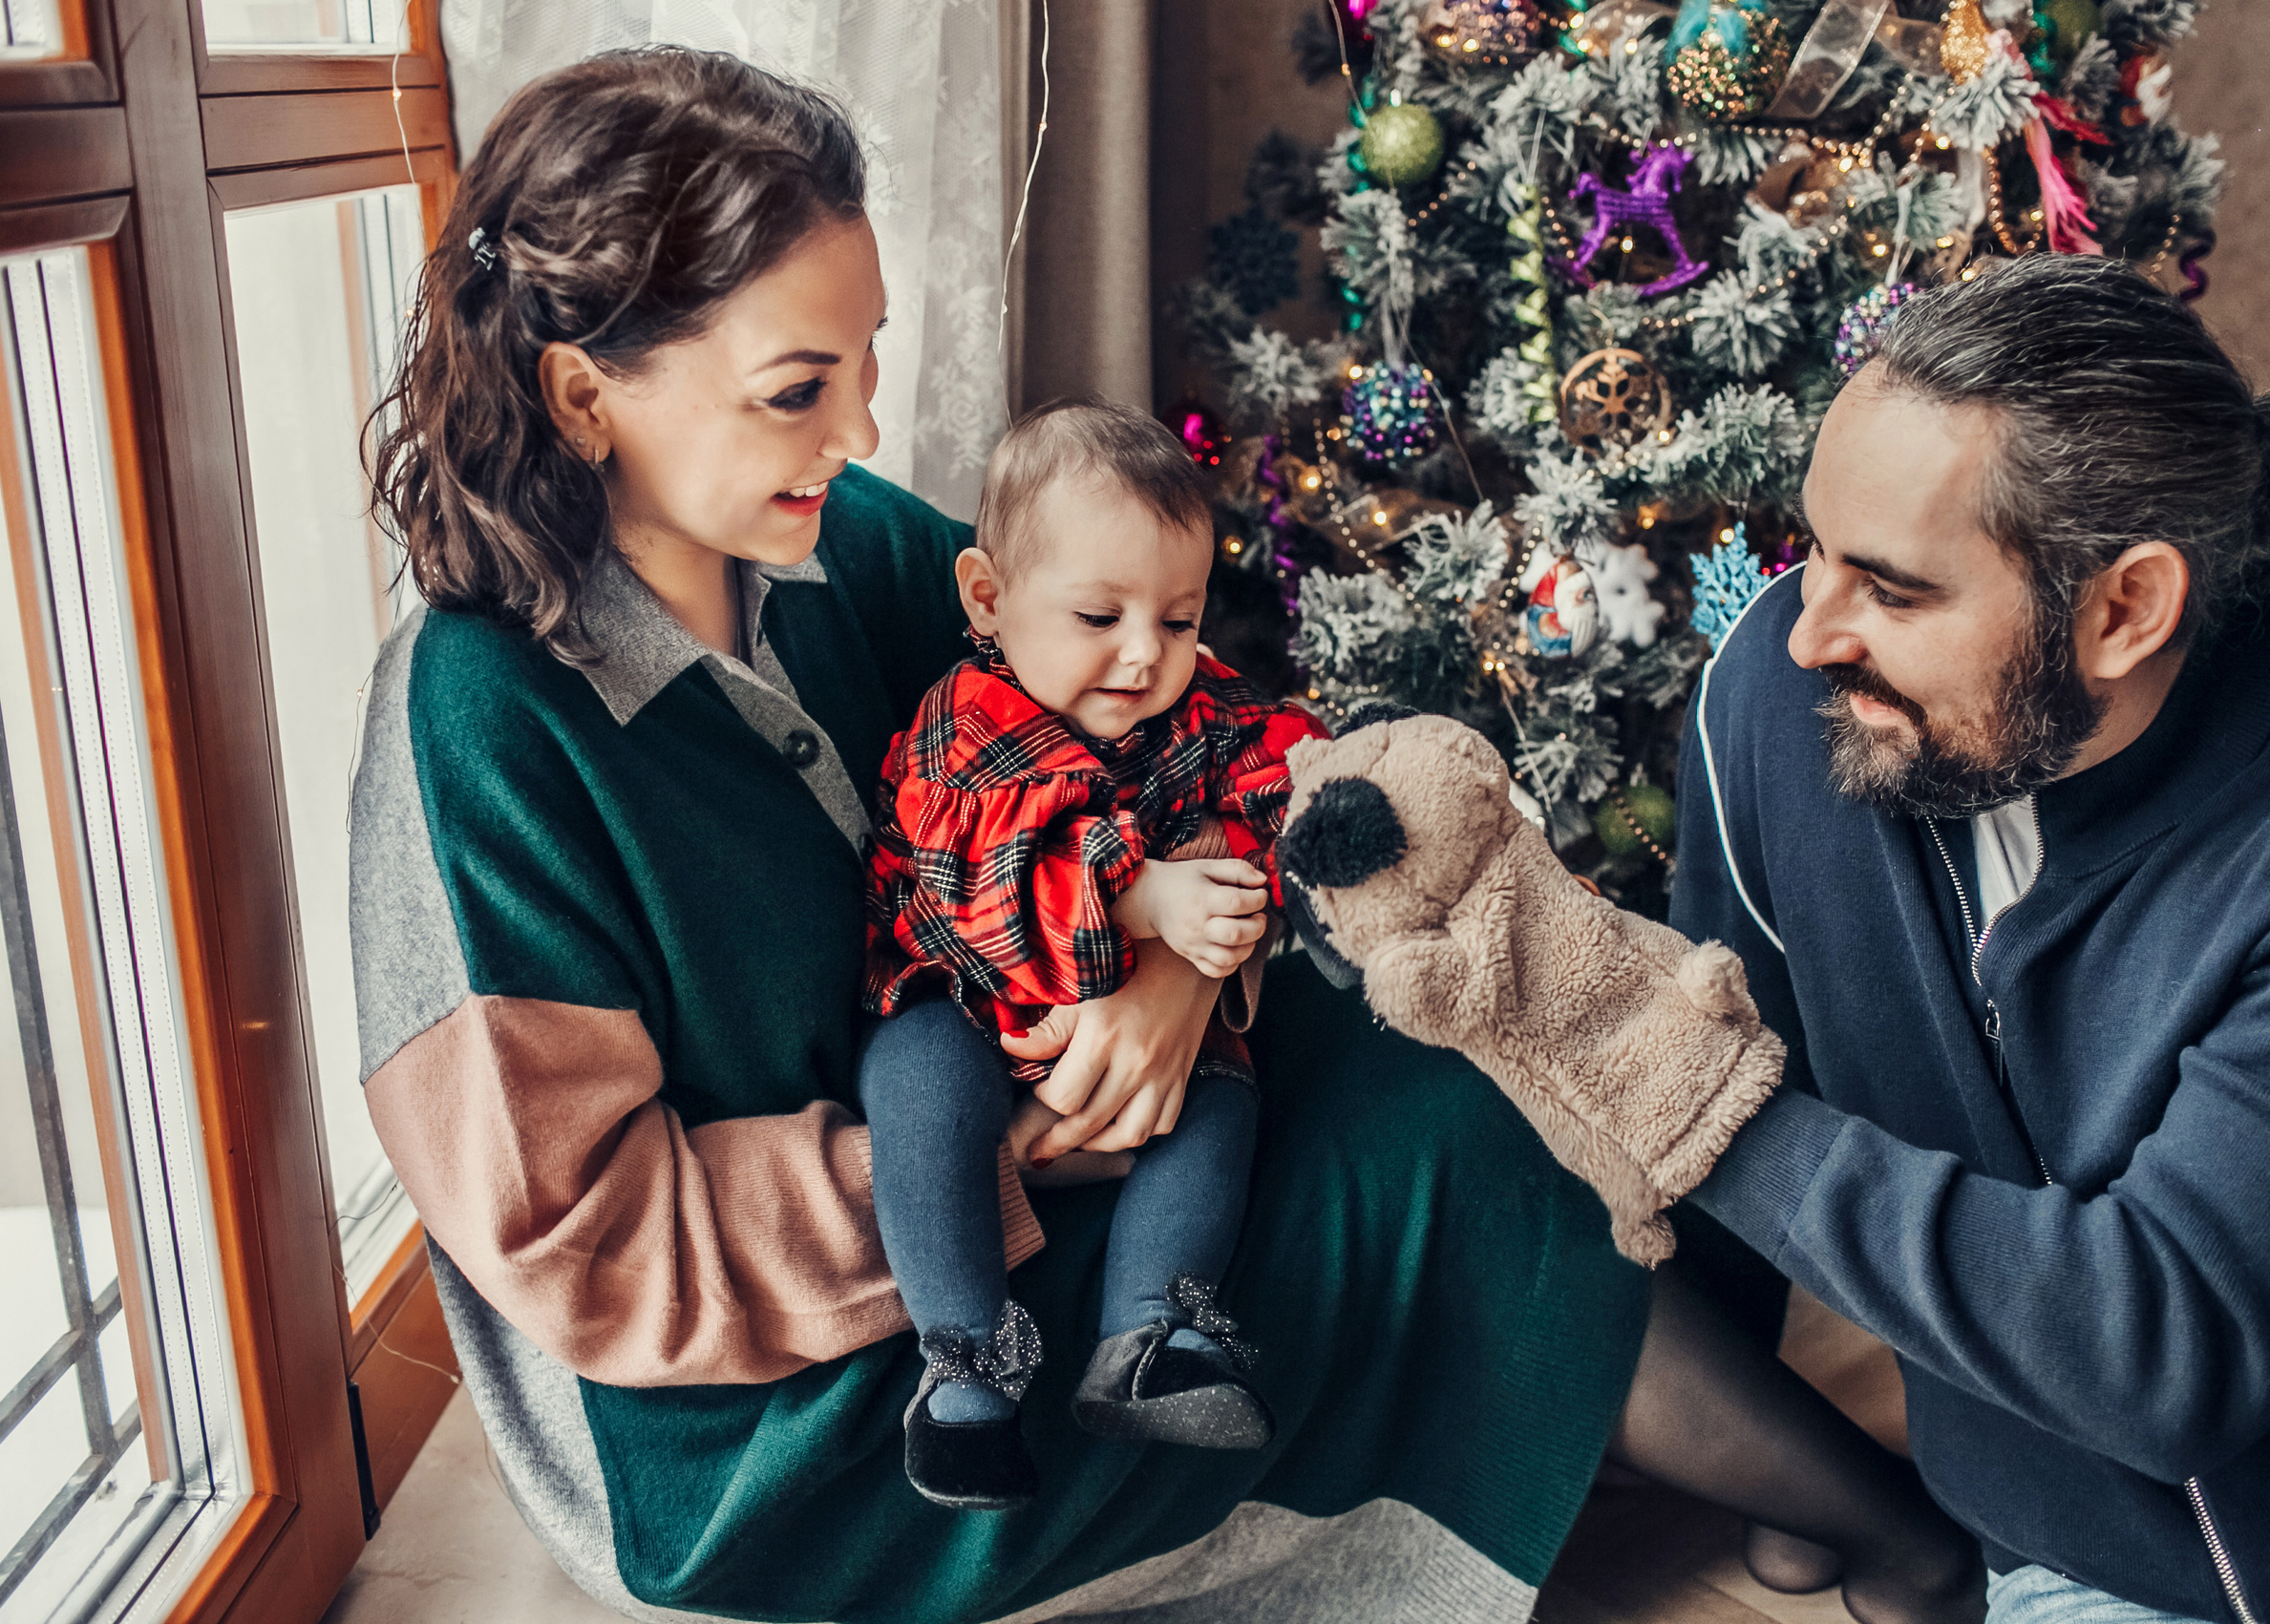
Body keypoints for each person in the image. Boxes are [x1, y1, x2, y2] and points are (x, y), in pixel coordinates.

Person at [350, 45, 1981, 1624]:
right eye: (796, 391)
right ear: (582, 395)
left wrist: (1182, 979)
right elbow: (600, 1255)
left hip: (1019, 1139)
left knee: (1403, 1045)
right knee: (1412, 1165)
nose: (856, 439)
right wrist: (1018, 1150)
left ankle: (1676, 1437)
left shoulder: (835, 543)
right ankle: (1866, 1517)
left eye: (865, 365)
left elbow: (1179, 726)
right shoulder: (482, 717)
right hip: (792, 1405)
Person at [1670, 252, 2270, 1624]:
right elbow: (1725, 1057)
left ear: (2125, 607)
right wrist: (1778, 1490)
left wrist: (1680, 1101)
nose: (1807, 634)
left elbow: (2167, 1351)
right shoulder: (1780, 712)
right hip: (2070, 1560)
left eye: (1893, 589)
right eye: (1813, 552)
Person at [861, 400, 1328, 1507]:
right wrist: (1137, 895)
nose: (1142, 655)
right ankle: (964, 1367)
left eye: (1177, 619)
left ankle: (1150, 1337)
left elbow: (1271, 769)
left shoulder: (1192, 702)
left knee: (1220, 1101)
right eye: (1098, 615)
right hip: (965, 1003)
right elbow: (974, 882)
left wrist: (1317, 796)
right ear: (988, 597)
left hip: (1132, 1022)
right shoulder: (966, 722)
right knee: (914, 1090)